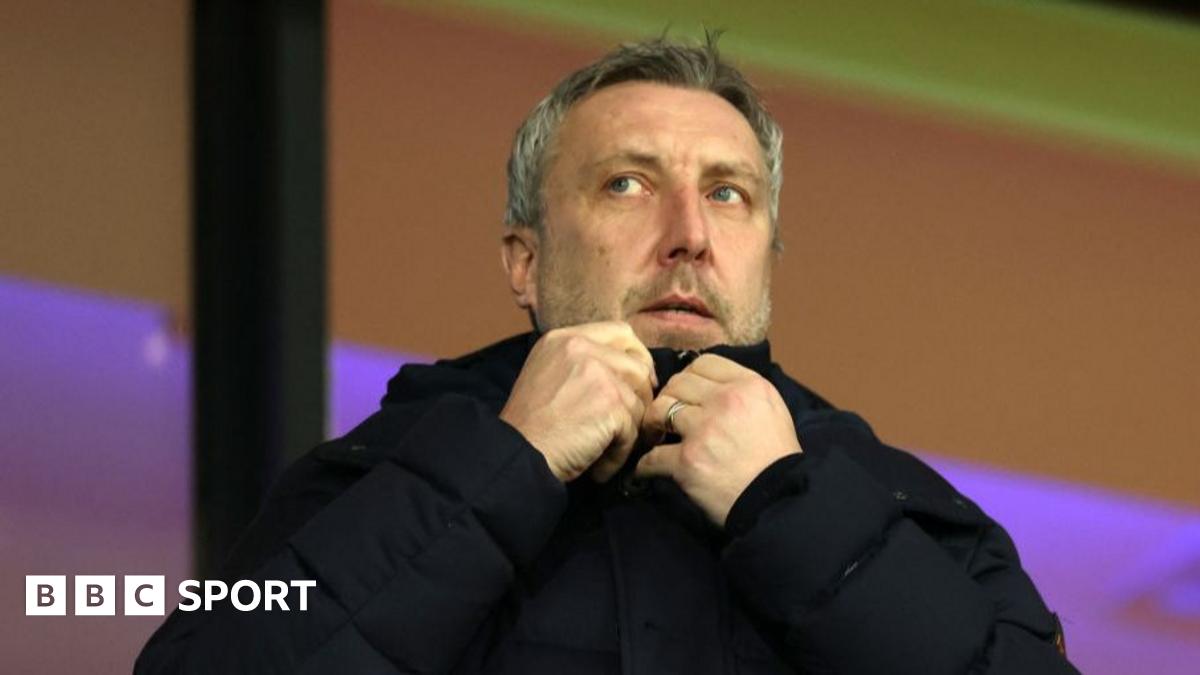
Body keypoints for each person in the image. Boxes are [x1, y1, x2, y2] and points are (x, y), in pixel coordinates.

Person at [136, 34, 1079, 674]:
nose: (688, 236)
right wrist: (505, 466)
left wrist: (791, 510)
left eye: (728, 194)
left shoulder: (891, 501)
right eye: (627, 184)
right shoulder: (378, 474)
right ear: (527, 259)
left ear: (764, 254)